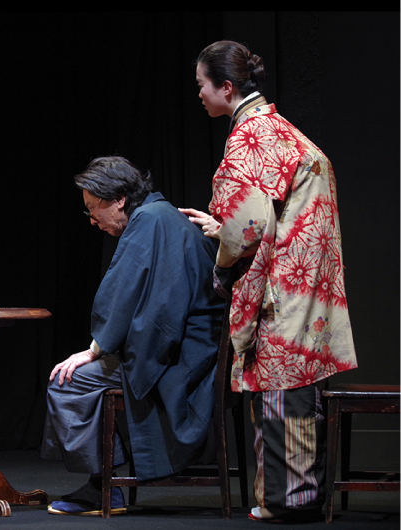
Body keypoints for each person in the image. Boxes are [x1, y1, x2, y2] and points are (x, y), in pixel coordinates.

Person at [181, 40, 358, 523]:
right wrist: (227, 228)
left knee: (283, 382)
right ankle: (294, 496)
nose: (199, 94)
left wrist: (224, 258)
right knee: (296, 383)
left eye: (202, 85)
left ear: (226, 87)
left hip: (285, 282)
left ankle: (287, 501)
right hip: (308, 278)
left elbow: (250, 225)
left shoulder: (251, 133)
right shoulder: (279, 127)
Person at [41, 156, 225, 516]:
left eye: (93, 209)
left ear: (119, 200)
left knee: (69, 381)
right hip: (196, 348)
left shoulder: (149, 221)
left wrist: (96, 349)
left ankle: (102, 488)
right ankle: (106, 483)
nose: (92, 220)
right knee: (86, 376)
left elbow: (124, 293)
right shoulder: (161, 215)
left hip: (184, 359)